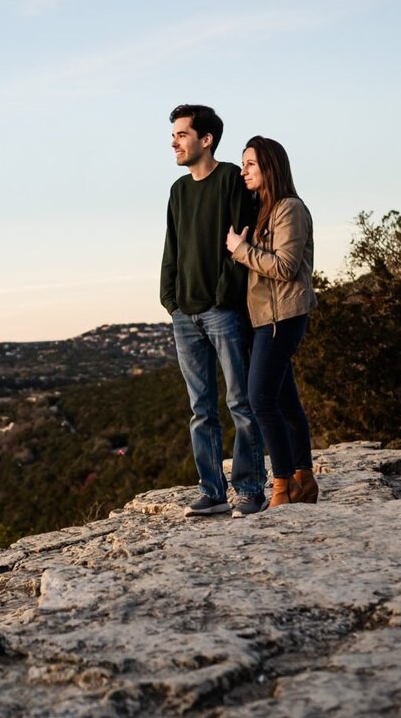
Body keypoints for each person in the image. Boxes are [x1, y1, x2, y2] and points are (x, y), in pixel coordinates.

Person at [161, 105, 268, 517]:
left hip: (223, 312)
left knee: (240, 403)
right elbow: (172, 246)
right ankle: (212, 491)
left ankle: (250, 490)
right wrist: (170, 299)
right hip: (184, 315)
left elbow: (241, 241)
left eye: (182, 134)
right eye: (174, 135)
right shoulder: (178, 191)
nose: (174, 142)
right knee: (200, 409)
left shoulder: (230, 180)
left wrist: (223, 296)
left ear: (205, 140)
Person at [225, 136, 319, 507]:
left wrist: (240, 250)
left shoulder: (289, 208)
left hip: (283, 317)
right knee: (285, 400)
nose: (243, 171)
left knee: (260, 399)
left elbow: (285, 266)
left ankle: (283, 485)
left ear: (270, 167)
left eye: (250, 164)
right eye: (243, 163)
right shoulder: (264, 209)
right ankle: (304, 479)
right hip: (265, 318)